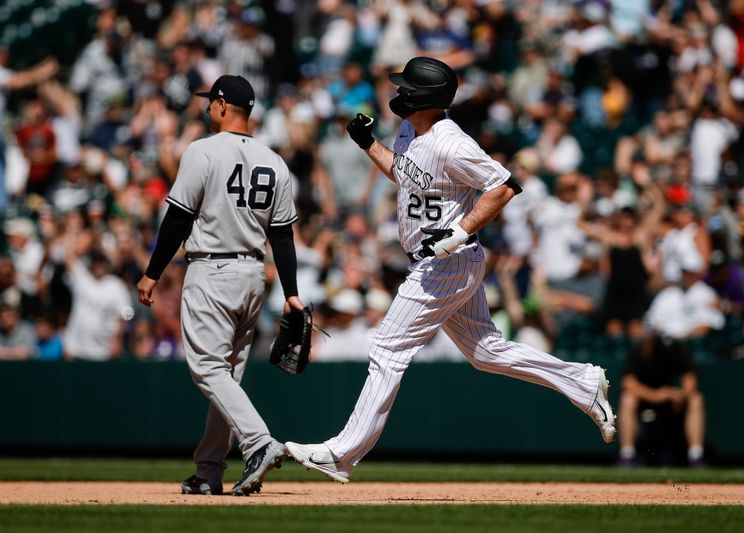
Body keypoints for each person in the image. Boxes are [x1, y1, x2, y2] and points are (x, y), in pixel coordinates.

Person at [285, 57, 616, 483]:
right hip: (443, 261)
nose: (400, 93)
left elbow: (503, 187)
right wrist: (368, 143)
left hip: (445, 262)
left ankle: (342, 453)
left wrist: (458, 231)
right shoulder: (410, 129)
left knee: (387, 348)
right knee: (486, 352)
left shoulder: (451, 141)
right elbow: (404, 176)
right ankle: (583, 383)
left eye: (407, 89)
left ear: (425, 98)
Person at [136, 75, 304, 496]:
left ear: (224, 105)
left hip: (212, 270)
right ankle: (209, 470)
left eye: (211, 102)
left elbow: (178, 217)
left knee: (208, 369)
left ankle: (259, 443)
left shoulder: (202, 150)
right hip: (253, 275)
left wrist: (152, 272)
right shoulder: (275, 160)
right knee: (225, 376)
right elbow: (282, 236)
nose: (208, 107)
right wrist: (292, 293)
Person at [618, 332, 706, 467]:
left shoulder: (675, 347)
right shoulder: (638, 349)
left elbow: (690, 380)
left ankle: (696, 456)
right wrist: (656, 395)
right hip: (645, 399)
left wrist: (680, 395)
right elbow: (629, 384)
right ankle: (627, 455)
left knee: (696, 399)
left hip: (671, 399)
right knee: (627, 399)